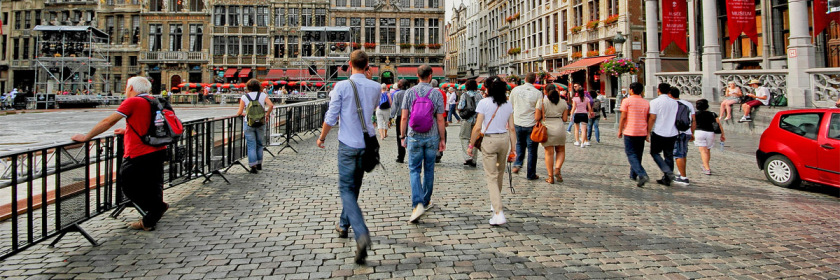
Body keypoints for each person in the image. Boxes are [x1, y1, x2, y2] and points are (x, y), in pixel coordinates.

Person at [71, 77, 169, 231]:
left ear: (130, 88)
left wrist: (86, 137)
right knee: (154, 184)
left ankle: (157, 208)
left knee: (128, 185)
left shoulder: (132, 102)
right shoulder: (154, 100)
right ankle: (149, 221)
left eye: (126, 88)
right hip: (158, 149)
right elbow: (149, 124)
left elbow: (108, 122)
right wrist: (128, 131)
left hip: (139, 152)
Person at [316, 50, 378, 264]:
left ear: (349, 64)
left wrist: (322, 137)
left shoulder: (341, 86)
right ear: (367, 65)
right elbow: (373, 109)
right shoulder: (376, 86)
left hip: (348, 145)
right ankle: (343, 224)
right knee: (355, 188)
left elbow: (331, 116)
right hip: (367, 145)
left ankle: (361, 233)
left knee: (346, 189)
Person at [400, 65, 446, 223]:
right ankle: (425, 201)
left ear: (417, 75)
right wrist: (442, 139)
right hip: (432, 136)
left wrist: (402, 136)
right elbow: (440, 119)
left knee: (414, 170)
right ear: (431, 76)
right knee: (429, 169)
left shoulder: (409, 92)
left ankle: (417, 203)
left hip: (414, 136)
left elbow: (404, 117)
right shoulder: (436, 93)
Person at [467, 77, 516, 225]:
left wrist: (471, 145)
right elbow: (512, 128)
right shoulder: (508, 104)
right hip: (504, 140)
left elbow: (477, 127)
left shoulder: (484, 103)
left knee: (491, 176)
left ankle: (498, 211)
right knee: (500, 173)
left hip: (489, 140)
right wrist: (514, 149)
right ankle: (495, 202)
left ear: (489, 89)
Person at [236, 79, 275, 174]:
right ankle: (259, 163)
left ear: (248, 87)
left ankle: (253, 166)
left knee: (251, 145)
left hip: (249, 123)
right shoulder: (262, 95)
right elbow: (271, 105)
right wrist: (267, 115)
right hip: (261, 122)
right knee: (259, 144)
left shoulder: (244, 97)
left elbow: (239, 112)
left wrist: (246, 115)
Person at [509, 72, 542, 180]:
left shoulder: (515, 90)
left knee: (519, 144)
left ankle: (517, 164)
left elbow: (510, 106)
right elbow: (538, 110)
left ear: (525, 79)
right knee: (532, 150)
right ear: (534, 80)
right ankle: (531, 174)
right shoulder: (537, 93)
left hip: (518, 121)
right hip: (531, 123)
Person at [618, 82, 651, 187]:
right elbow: (648, 118)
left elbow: (623, 117)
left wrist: (620, 130)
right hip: (642, 130)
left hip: (630, 130)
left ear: (631, 90)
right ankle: (633, 174)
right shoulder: (646, 102)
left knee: (631, 154)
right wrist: (648, 132)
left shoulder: (626, 101)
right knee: (638, 154)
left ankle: (642, 174)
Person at [535, 84, 569, 184]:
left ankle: (550, 177)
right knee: (561, 150)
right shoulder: (563, 102)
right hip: (559, 127)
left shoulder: (542, 102)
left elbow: (537, 118)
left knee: (549, 153)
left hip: (547, 128)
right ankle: (557, 169)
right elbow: (565, 119)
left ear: (545, 92)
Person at [648, 83, 679, 186]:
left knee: (655, 152)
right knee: (669, 155)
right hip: (672, 131)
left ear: (658, 90)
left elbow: (652, 118)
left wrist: (648, 130)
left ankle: (667, 171)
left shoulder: (654, 102)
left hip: (659, 131)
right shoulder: (674, 103)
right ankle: (667, 178)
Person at [693, 99, 726, 175]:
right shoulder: (713, 114)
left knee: (703, 151)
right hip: (710, 133)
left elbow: (693, 124)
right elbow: (719, 124)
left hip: (699, 132)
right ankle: (705, 165)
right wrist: (722, 134)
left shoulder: (695, 114)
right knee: (707, 150)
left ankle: (707, 168)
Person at [670, 88, 695, 186]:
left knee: (678, 154)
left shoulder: (672, 104)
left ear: (670, 94)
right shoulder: (688, 104)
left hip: (677, 132)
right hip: (687, 130)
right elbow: (693, 119)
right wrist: (692, 132)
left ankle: (684, 177)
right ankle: (681, 173)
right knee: (683, 153)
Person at [458, 79, 482, 167]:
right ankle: (474, 159)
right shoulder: (479, 95)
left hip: (467, 120)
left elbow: (460, 106)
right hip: (477, 120)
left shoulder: (464, 95)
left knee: (464, 138)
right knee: (475, 139)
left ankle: (468, 157)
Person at [390, 79, 409, 163]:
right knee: (411, 136)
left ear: (401, 85)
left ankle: (401, 157)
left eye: (399, 83)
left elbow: (394, 107)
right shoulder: (410, 93)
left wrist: (390, 117)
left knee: (400, 136)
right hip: (411, 117)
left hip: (400, 116)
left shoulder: (397, 94)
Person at [431, 79, 448, 163]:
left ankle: (435, 152)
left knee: (434, 134)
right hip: (443, 116)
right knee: (442, 133)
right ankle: (440, 151)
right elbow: (446, 107)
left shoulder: (430, 93)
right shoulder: (443, 93)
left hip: (433, 117)